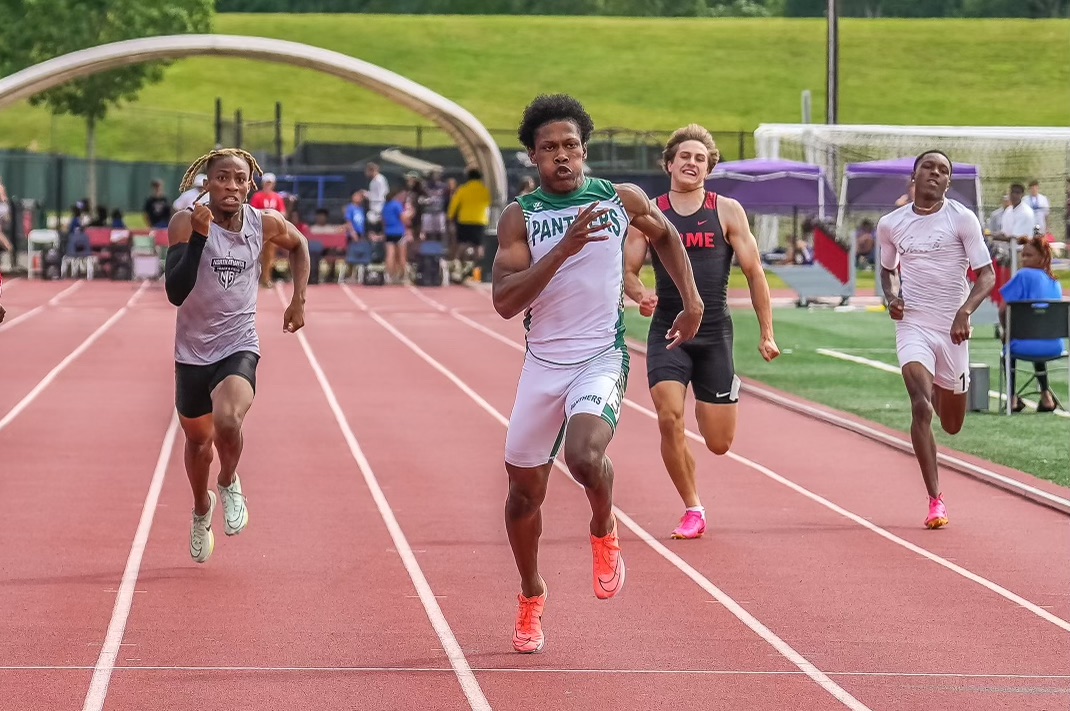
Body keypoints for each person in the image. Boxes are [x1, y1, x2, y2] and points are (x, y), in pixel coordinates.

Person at [493, 94, 704, 654]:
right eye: (548, 149)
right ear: (533, 158)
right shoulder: (521, 216)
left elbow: (666, 237)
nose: (561, 157)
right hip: (543, 363)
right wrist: (562, 249)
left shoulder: (619, 197)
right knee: (521, 495)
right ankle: (531, 594)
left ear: (583, 149)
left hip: (599, 356)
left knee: (584, 456)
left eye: (569, 146)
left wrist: (690, 300)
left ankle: (604, 528)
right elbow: (504, 302)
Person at [623, 124, 780, 541]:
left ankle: (722, 387)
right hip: (669, 332)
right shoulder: (649, 213)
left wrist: (767, 333)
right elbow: (629, 271)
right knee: (669, 417)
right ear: (669, 164)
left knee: (718, 443)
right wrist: (641, 295)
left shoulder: (726, 211)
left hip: (715, 335)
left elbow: (754, 272)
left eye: (700, 158)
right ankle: (693, 508)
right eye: (684, 157)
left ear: (709, 168)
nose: (692, 163)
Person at [164, 148, 311, 564]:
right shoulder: (184, 223)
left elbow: (299, 245)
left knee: (229, 419)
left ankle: (228, 482)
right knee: (198, 443)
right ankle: (200, 510)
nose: (231, 186)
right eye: (222, 178)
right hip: (192, 352)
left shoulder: (264, 223)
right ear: (207, 183)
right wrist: (197, 237)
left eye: (239, 179)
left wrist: (298, 299)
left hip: (237, 343)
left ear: (251, 184)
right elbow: (176, 293)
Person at [876, 150, 995, 529]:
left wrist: (964, 313)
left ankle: (949, 391)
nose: (935, 173)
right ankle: (935, 500)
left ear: (948, 183)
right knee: (921, 407)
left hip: (952, 331)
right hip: (914, 325)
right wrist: (892, 298)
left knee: (952, 423)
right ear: (914, 175)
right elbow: (887, 270)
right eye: (928, 166)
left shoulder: (961, 219)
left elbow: (987, 275)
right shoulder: (891, 224)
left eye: (943, 170)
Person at [998, 236, 1064, 413]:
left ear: (1042, 258)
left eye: (1029, 255)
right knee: (1036, 333)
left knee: (1010, 347)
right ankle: (1046, 396)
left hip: (1025, 343)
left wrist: (1006, 331)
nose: (1024, 259)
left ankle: (1012, 398)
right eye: (1023, 255)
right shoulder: (1055, 281)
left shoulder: (1022, 275)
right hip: (1054, 346)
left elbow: (1003, 309)